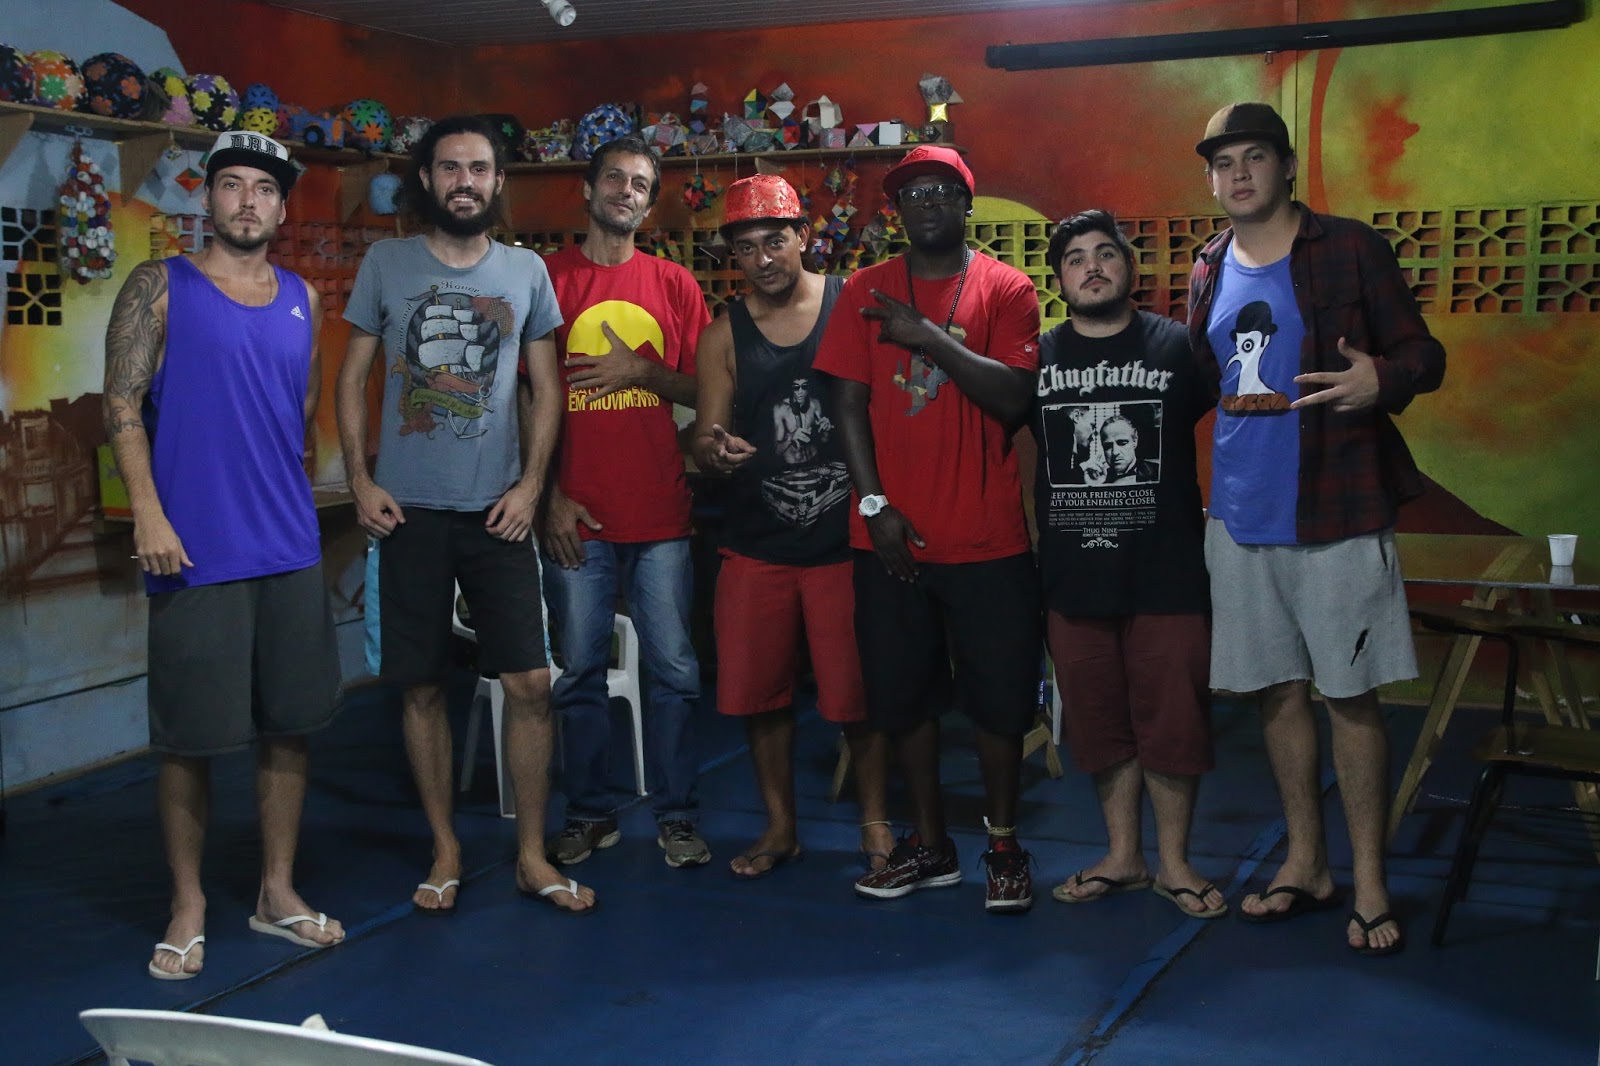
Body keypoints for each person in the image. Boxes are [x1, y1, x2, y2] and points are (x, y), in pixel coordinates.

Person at [1189, 102, 1446, 954]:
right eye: (1224, 163)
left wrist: (1385, 380)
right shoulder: (1207, 265)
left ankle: (1369, 882)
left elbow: (1424, 355)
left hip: (1337, 506)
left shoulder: (1350, 247)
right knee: (1277, 693)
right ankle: (1306, 863)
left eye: (1254, 157)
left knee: (1350, 696)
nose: (1239, 175)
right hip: (1239, 516)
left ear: (1287, 165)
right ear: (1211, 178)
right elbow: (1202, 379)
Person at [103, 131, 346, 978]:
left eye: (264, 189)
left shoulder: (302, 298)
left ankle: (277, 891)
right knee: (190, 739)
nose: (248, 201)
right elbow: (121, 403)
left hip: (288, 545)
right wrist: (148, 512)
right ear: (207, 197)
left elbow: (299, 413)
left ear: (280, 207)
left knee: (290, 728)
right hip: (194, 549)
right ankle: (189, 902)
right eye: (233, 184)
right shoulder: (159, 286)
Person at [335, 115, 592, 914]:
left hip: (497, 515)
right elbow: (350, 378)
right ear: (427, 178)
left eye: (479, 168)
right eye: (450, 168)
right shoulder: (386, 263)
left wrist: (531, 488)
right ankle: (444, 848)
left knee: (531, 684)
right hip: (406, 514)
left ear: (497, 181)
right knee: (419, 687)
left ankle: (531, 856)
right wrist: (359, 481)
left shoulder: (525, 271)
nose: (465, 182)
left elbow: (547, 389)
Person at [814, 145, 1043, 912]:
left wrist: (929, 337)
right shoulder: (865, 290)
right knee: (904, 700)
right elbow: (846, 403)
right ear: (897, 211)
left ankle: (1003, 845)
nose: (930, 203)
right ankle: (932, 843)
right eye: (914, 194)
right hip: (889, 538)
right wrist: (873, 506)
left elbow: (1013, 399)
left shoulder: (1007, 288)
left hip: (987, 538)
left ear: (967, 204)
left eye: (944, 191)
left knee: (1000, 704)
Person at [689, 175, 894, 879]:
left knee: (857, 698)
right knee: (760, 697)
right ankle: (780, 828)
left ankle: (875, 826)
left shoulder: (852, 304)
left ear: (803, 236)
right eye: (747, 248)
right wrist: (713, 450)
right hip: (757, 543)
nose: (763, 259)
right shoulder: (722, 335)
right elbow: (705, 434)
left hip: (845, 543)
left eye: (774, 240)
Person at [1033, 210, 1222, 919]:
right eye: (1075, 257)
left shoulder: (1178, 346)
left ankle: (1175, 863)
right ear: (1060, 280)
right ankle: (1122, 856)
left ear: (1129, 268)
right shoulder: (1037, 355)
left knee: (1174, 723)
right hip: (1074, 578)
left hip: (1166, 573)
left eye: (1105, 253)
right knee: (1099, 724)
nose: (1092, 266)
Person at [537, 134, 712, 869]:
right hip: (576, 515)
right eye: (615, 178)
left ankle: (677, 816)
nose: (626, 192)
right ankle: (588, 812)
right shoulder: (546, 280)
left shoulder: (675, 285)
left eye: (640, 184)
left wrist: (642, 371)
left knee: (674, 673)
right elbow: (523, 399)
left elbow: (706, 389)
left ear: (650, 201)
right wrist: (548, 496)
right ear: (587, 189)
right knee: (578, 673)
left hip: (661, 513)